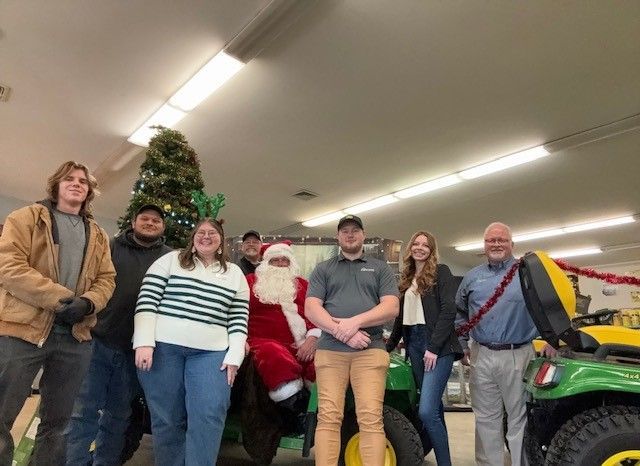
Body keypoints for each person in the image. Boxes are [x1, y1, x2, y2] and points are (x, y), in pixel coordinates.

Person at [0, 161, 116, 466]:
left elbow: (107, 278)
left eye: (83, 181)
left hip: (75, 338)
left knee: (60, 425)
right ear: (56, 185)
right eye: (69, 179)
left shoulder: (99, 234)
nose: (77, 184)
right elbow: (10, 268)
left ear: (89, 190)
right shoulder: (24, 218)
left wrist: (88, 303)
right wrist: (63, 299)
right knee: (2, 416)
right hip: (22, 331)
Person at [133, 218, 249, 466]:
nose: (206, 236)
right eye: (201, 232)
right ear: (193, 239)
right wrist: (143, 341)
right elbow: (147, 302)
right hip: (163, 348)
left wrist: (235, 356)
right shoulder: (170, 261)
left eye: (213, 233)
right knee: (167, 418)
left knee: (210, 413)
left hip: (212, 353)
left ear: (221, 241)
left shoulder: (235, 274)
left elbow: (239, 318)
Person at [65, 204, 172, 465]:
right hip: (98, 342)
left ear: (163, 227)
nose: (150, 223)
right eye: (144, 218)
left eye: (156, 220)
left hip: (135, 351)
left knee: (118, 416)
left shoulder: (171, 258)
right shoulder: (110, 247)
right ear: (133, 222)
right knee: (83, 413)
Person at [455, 222, 555, 466]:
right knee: (486, 418)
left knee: (519, 418)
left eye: (502, 240)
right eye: (491, 240)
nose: (496, 244)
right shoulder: (472, 278)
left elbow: (550, 306)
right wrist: (462, 343)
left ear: (512, 244)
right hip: (482, 354)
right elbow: (460, 313)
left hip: (519, 354)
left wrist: (553, 339)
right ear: (484, 245)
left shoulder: (527, 274)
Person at [305, 215, 399, 466]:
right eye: (344, 231)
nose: (349, 234)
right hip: (329, 351)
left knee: (370, 418)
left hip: (370, 351)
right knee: (328, 417)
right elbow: (312, 309)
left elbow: (390, 307)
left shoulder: (380, 268)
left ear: (363, 235)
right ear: (338, 237)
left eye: (354, 230)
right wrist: (342, 331)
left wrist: (354, 322)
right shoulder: (323, 269)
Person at [386, 231, 462, 465]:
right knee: (435, 411)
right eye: (416, 244)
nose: (420, 248)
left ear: (432, 250)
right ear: (410, 249)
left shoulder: (442, 272)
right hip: (415, 346)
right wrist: (387, 347)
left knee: (426, 411)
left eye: (425, 245)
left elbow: (449, 310)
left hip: (437, 348)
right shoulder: (407, 277)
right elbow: (401, 319)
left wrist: (434, 348)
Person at [246, 242, 320, 407]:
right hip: (262, 340)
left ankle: (319, 412)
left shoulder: (303, 285)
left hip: (300, 343)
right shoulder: (250, 283)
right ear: (266, 264)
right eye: (275, 260)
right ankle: (296, 409)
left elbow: (316, 315)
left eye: (284, 260)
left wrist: (312, 338)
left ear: (290, 263)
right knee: (274, 355)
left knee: (322, 362)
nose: (280, 264)